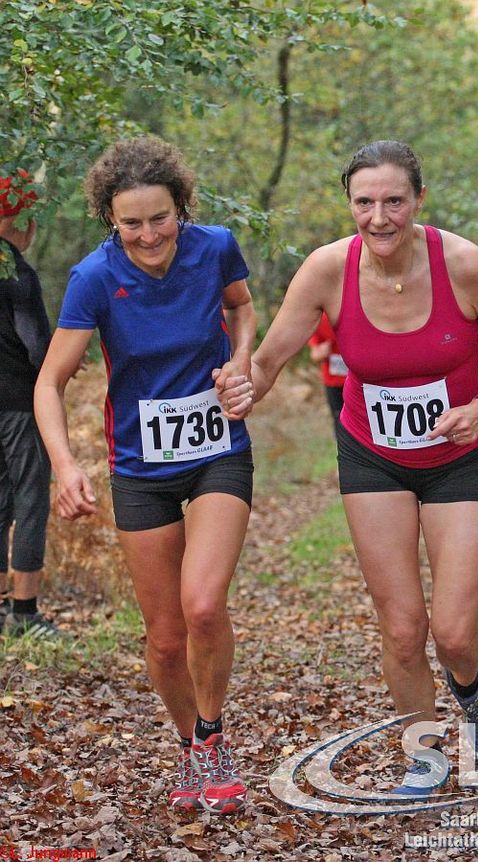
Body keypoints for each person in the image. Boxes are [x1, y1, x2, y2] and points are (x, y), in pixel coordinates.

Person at [216, 140, 478, 797]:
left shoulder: (462, 263)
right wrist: (243, 386)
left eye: (394, 201)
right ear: (349, 203)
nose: (378, 217)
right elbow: (270, 359)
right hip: (372, 457)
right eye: (364, 202)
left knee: (454, 634)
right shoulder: (326, 269)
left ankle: (471, 689)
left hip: (456, 457)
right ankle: (425, 757)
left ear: (418, 199)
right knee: (401, 629)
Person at [34, 136, 256, 814]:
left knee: (202, 605)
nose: (149, 234)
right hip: (140, 465)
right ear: (110, 217)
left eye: (160, 218)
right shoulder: (94, 278)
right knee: (163, 638)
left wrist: (240, 362)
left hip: (217, 448)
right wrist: (64, 465)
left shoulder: (214, 248)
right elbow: (49, 382)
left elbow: (241, 308)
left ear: (180, 207)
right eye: (131, 222)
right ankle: (189, 745)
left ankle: (212, 738)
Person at [0, 170, 62, 640]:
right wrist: (64, 362)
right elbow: (39, 348)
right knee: (30, 499)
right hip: (22, 405)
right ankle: (24, 613)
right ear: (21, 221)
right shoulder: (17, 274)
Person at [308, 311, 348, 432]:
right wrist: (322, 350)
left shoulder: (355, 315)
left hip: (356, 381)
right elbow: (315, 354)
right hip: (333, 382)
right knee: (338, 417)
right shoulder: (321, 319)